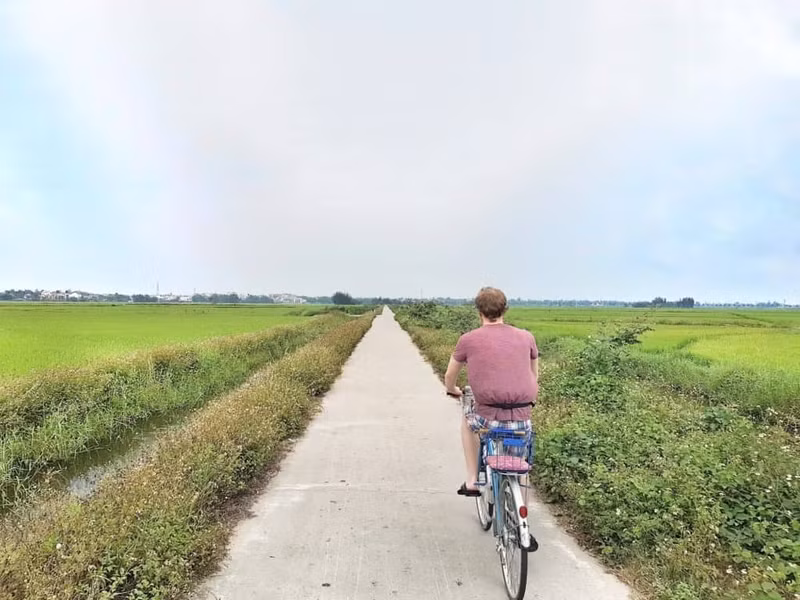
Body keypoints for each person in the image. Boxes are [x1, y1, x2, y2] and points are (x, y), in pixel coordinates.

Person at [444, 287, 539, 496]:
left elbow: (449, 376)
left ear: (479, 311)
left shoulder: (468, 339)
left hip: (487, 418)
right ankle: (522, 521)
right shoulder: (527, 337)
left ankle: (472, 480)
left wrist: (453, 390)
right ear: (505, 309)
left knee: (468, 422)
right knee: (519, 466)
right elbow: (534, 376)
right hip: (522, 419)